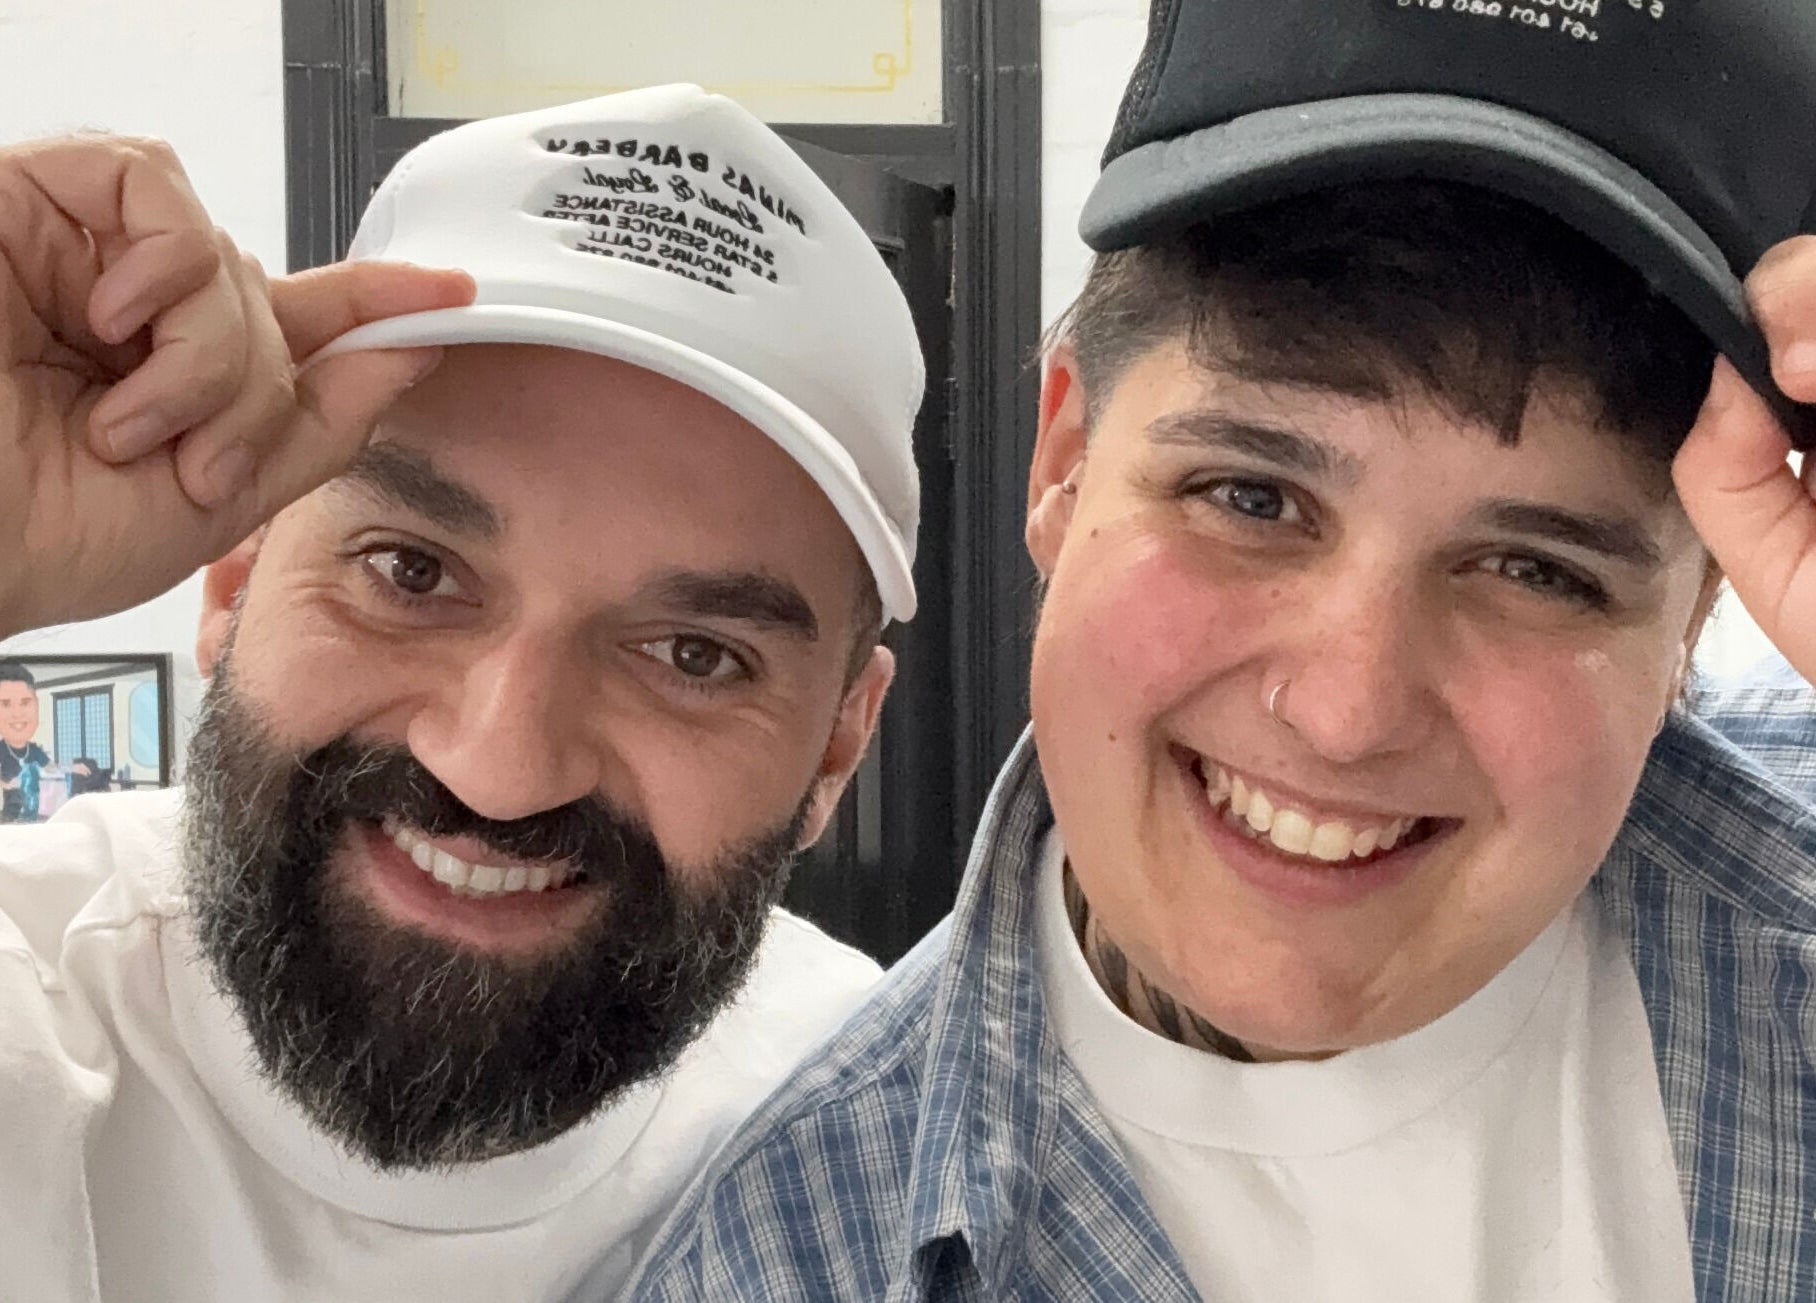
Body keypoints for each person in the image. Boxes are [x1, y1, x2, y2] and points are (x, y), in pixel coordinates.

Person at [626, 4, 1816, 1300]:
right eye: (1250, 497)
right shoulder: (780, 1259)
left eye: (1538, 570)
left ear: (1694, 612)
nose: (1347, 712)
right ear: (1064, 463)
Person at [0, 84, 924, 1300]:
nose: (499, 766)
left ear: (838, 745)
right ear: (234, 577)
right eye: (410, 571)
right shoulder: (30, 1000)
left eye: (694, 655)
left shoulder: (892, 1165)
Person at [0, 660, 50, 821]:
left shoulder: (35, 750)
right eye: (5, 704)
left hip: (33, 811)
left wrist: (70, 767)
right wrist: (7, 784)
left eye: (25, 703)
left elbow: (51, 768)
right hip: (10, 813)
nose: (17, 714)